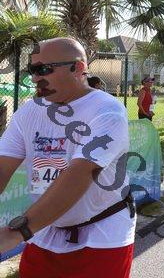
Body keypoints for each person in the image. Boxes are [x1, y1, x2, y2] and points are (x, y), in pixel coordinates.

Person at [0, 38, 135, 277]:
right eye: (32, 70)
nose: (35, 78)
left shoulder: (107, 111)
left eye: (44, 69)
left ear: (78, 68)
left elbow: (79, 174)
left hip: (101, 234)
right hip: (45, 229)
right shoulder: (29, 112)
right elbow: (2, 167)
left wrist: (18, 232)